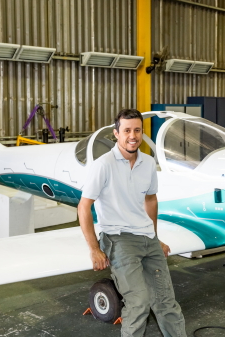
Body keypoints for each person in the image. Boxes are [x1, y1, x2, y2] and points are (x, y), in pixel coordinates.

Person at [78, 109, 186, 337]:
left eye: (137, 130)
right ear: (116, 134)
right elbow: (84, 206)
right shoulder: (103, 165)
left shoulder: (147, 163)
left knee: (166, 303)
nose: (132, 136)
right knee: (138, 302)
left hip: (147, 238)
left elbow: (150, 200)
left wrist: (155, 238)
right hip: (119, 239)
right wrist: (95, 250)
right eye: (126, 130)